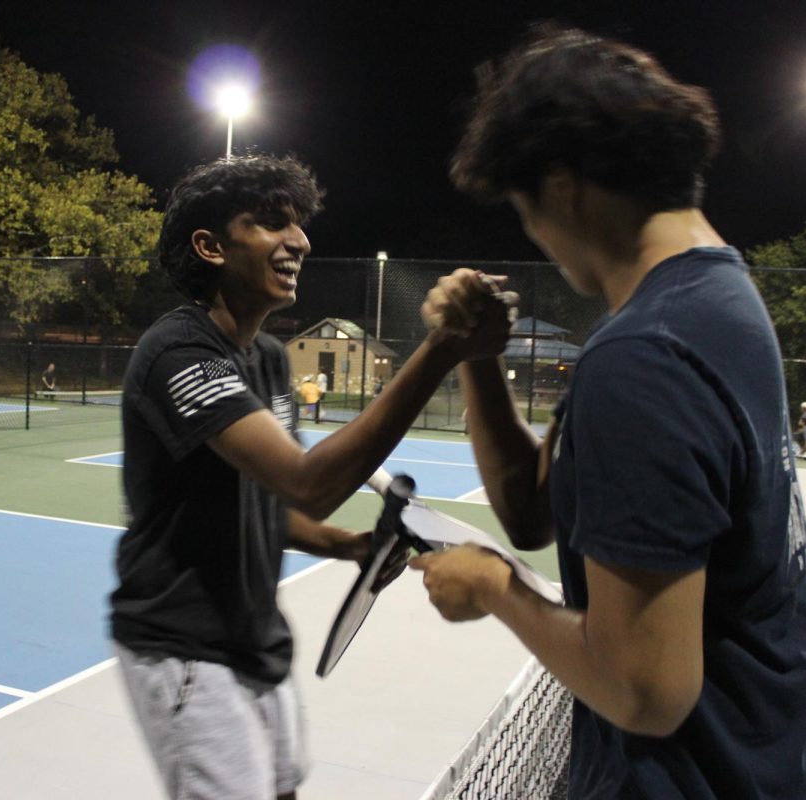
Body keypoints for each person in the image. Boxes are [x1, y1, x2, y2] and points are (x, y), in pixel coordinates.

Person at [409, 27, 806, 799]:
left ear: (564, 186)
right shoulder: (717, 303)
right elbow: (534, 513)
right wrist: (477, 355)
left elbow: (646, 690)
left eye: (524, 206)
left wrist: (497, 588)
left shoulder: (644, 357)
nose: (534, 234)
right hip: (773, 766)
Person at [110, 154, 511, 800]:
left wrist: (348, 546)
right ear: (210, 247)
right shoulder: (177, 352)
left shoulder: (266, 361)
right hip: (183, 644)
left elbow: (266, 503)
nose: (300, 240)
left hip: (256, 638)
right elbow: (305, 482)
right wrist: (441, 348)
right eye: (272, 223)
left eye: (298, 224)